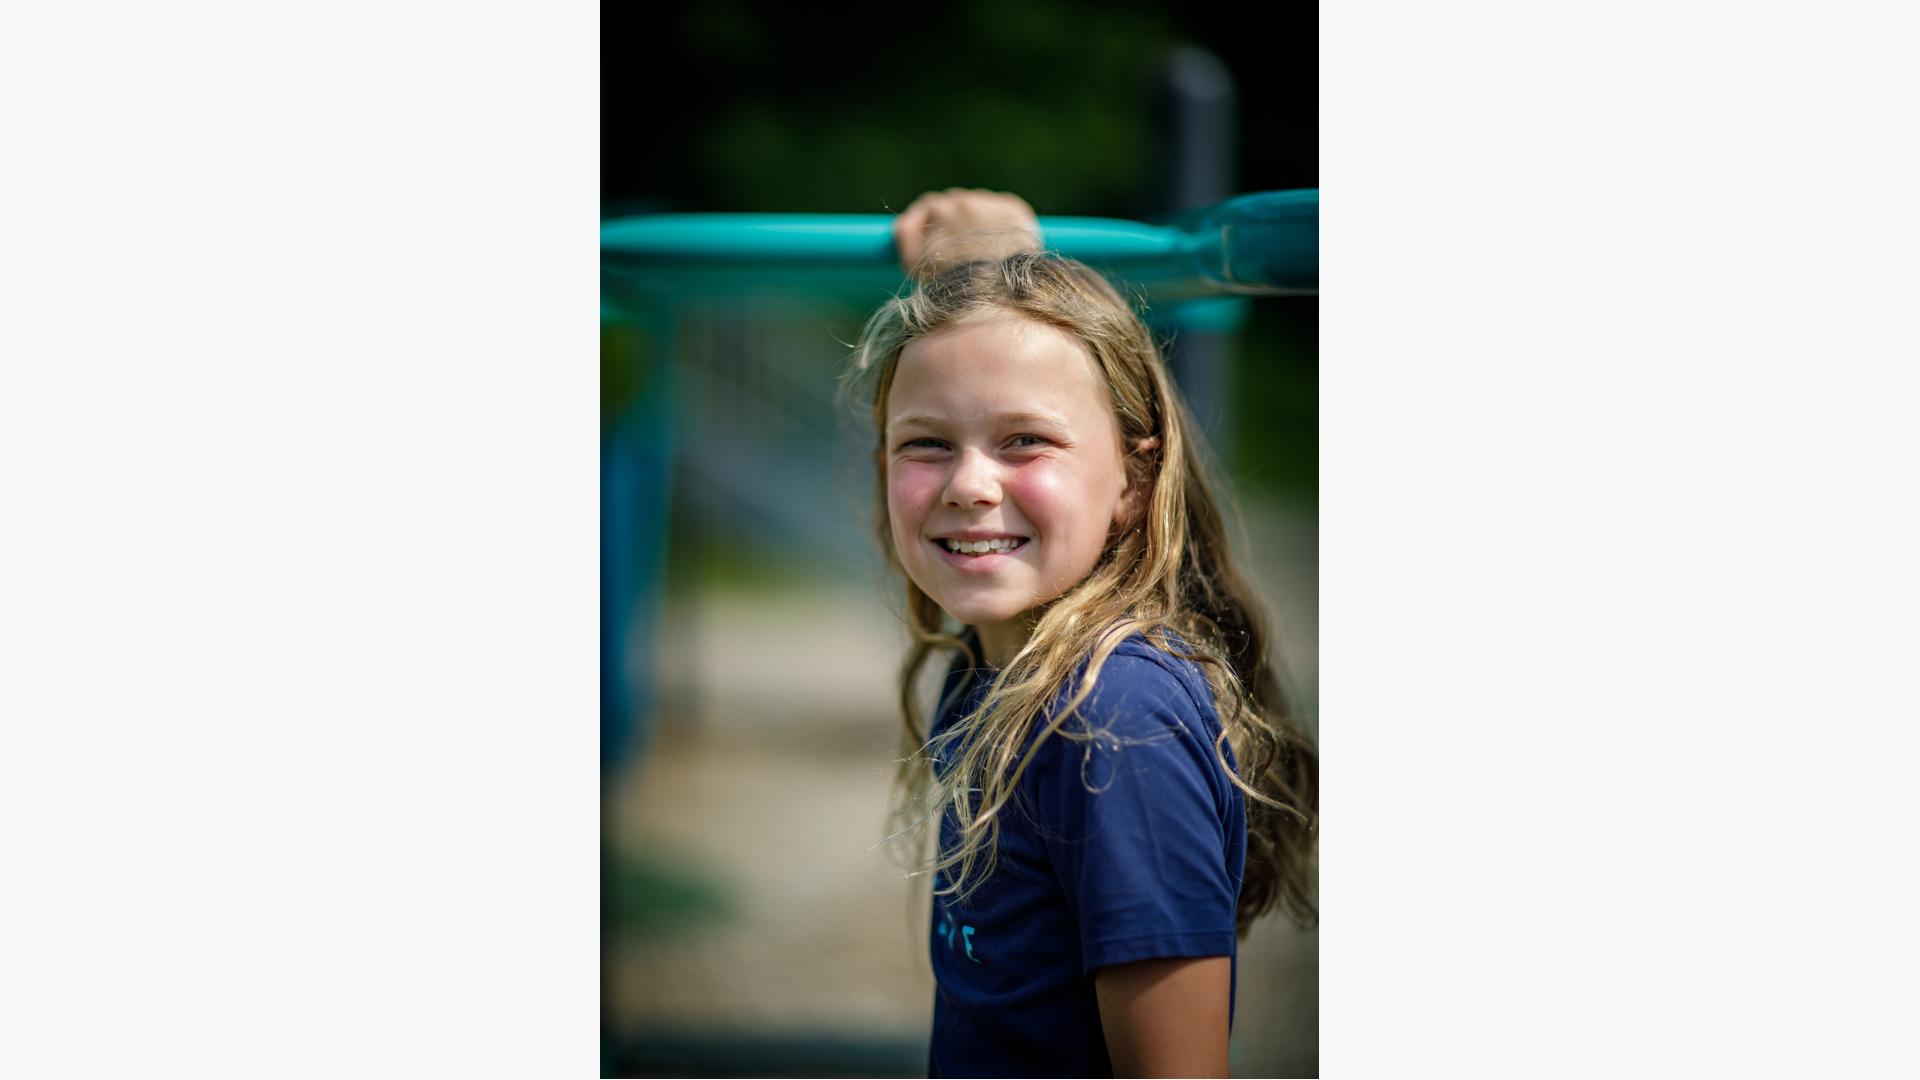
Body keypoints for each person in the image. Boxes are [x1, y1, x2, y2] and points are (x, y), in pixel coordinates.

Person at [848, 189, 1318, 1078]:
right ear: (884, 468)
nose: (969, 485)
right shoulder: (1007, 667)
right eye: (926, 446)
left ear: (1134, 484)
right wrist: (979, 271)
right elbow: (988, 369)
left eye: (1025, 441)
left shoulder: (1112, 722)